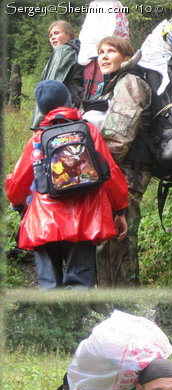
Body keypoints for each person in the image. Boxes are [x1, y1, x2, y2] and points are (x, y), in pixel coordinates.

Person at [5, 80, 128, 288]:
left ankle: (52, 320)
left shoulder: (38, 138)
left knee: (49, 286)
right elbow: (111, 174)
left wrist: (20, 206)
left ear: (42, 110)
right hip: (85, 220)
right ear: (69, 102)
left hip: (44, 222)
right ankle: (76, 320)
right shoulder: (88, 131)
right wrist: (121, 209)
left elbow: (16, 182)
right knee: (80, 284)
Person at [92, 36, 153, 287]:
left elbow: (118, 137)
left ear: (126, 58)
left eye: (111, 51)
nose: (104, 56)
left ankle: (124, 302)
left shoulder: (130, 82)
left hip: (126, 170)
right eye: (101, 51)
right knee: (109, 240)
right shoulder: (113, 84)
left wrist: (97, 172)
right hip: (117, 170)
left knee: (120, 242)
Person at [31, 21, 84, 129]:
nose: (52, 37)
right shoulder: (78, 50)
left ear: (69, 34)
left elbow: (49, 91)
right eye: (50, 35)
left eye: (57, 33)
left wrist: (37, 126)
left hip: (61, 115)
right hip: (76, 111)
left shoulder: (63, 50)